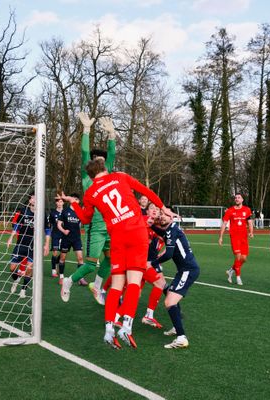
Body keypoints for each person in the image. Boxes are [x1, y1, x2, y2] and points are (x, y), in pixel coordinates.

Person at [60, 158, 176, 349]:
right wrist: (163, 208)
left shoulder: (90, 193)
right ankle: (126, 327)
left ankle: (108, 330)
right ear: (105, 168)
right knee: (134, 283)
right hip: (137, 233)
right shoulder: (120, 176)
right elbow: (146, 192)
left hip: (117, 238)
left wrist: (74, 204)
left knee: (116, 286)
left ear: (91, 176)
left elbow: (86, 219)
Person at [66, 113, 117, 305]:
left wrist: (111, 135)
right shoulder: (87, 177)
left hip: (110, 225)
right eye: (97, 160)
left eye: (103, 161)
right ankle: (68, 281)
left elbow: (112, 155)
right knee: (89, 265)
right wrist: (86, 130)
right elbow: (84, 153)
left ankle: (96, 286)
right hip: (94, 227)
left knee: (111, 260)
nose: (101, 163)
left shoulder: (108, 174)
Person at [150, 209, 200, 349]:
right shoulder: (171, 229)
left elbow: (169, 254)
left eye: (166, 214)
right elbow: (162, 234)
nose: (162, 217)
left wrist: (152, 263)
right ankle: (177, 328)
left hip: (188, 270)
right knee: (170, 295)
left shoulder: (172, 230)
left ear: (172, 217)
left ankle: (181, 338)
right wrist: (151, 225)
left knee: (169, 301)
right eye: (161, 214)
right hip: (184, 270)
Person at [7, 193, 50, 298]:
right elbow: (17, 225)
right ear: (30, 200)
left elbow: (47, 229)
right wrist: (11, 237)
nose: (35, 199)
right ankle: (16, 279)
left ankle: (23, 290)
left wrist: (46, 244)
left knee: (29, 269)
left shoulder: (42, 214)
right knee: (12, 268)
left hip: (34, 246)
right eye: (33, 198)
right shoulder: (23, 211)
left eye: (37, 197)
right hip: (21, 244)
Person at [219, 193, 254, 286]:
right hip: (234, 237)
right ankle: (238, 277)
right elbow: (224, 224)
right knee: (238, 256)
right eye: (236, 198)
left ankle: (231, 270)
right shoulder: (230, 210)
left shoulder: (247, 210)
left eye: (239, 197)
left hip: (244, 237)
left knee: (244, 258)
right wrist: (221, 237)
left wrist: (251, 232)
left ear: (242, 200)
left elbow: (250, 222)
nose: (237, 199)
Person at [57, 193, 85, 285]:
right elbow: (59, 224)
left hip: (76, 238)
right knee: (62, 258)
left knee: (80, 258)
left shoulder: (80, 211)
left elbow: (84, 222)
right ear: (70, 200)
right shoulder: (65, 211)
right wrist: (64, 231)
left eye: (77, 199)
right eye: (73, 199)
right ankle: (61, 277)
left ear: (79, 201)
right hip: (66, 239)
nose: (75, 201)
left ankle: (80, 278)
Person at [48, 196, 64, 278]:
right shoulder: (53, 213)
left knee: (62, 254)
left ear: (63, 203)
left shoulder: (66, 212)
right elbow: (50, 224)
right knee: (55, 252)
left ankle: (57, 264)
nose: (59, 203)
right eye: (58, 202)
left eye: (61, 201)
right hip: (55, 235)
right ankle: (53, 270)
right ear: (56, 203)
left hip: (64, 235)